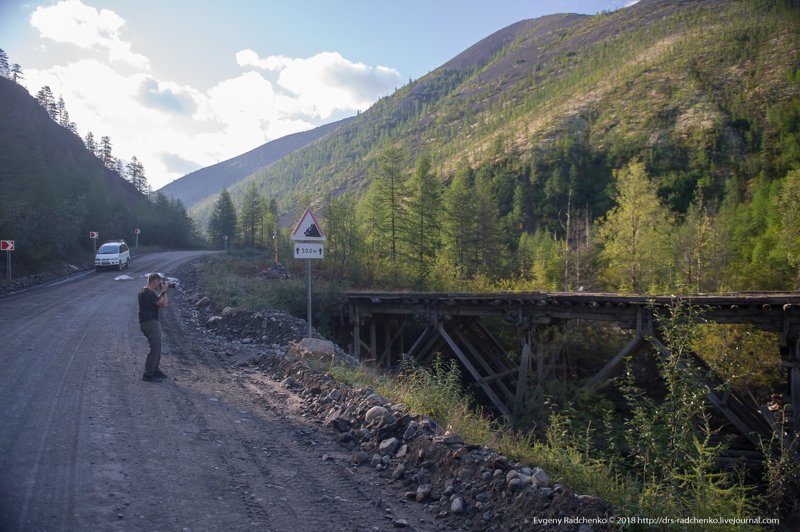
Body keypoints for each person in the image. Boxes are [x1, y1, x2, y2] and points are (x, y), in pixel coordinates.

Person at [138, 272, 170, 381]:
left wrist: (162, 292)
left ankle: (155, 369)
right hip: (149, 323)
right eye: (159, 283)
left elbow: (157, 302)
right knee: (155, 347)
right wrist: (164, 291)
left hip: (150, 322)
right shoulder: (147, 292)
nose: (160, 285)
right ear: (155, 281)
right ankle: (148, 374)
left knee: (157, 346)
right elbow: (164, 304)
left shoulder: (146, 292)